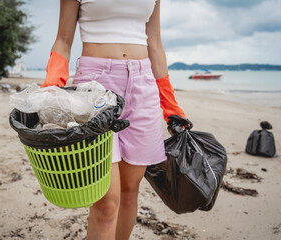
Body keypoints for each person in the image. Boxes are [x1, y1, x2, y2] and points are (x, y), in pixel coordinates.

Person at [41, 0, 186, 239]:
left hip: (143, 86)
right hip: (96, 89)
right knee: (105, 201)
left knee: (130, 192)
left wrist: (170, 105)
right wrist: (52, 83)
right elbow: (64, 39)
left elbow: (155, 44)